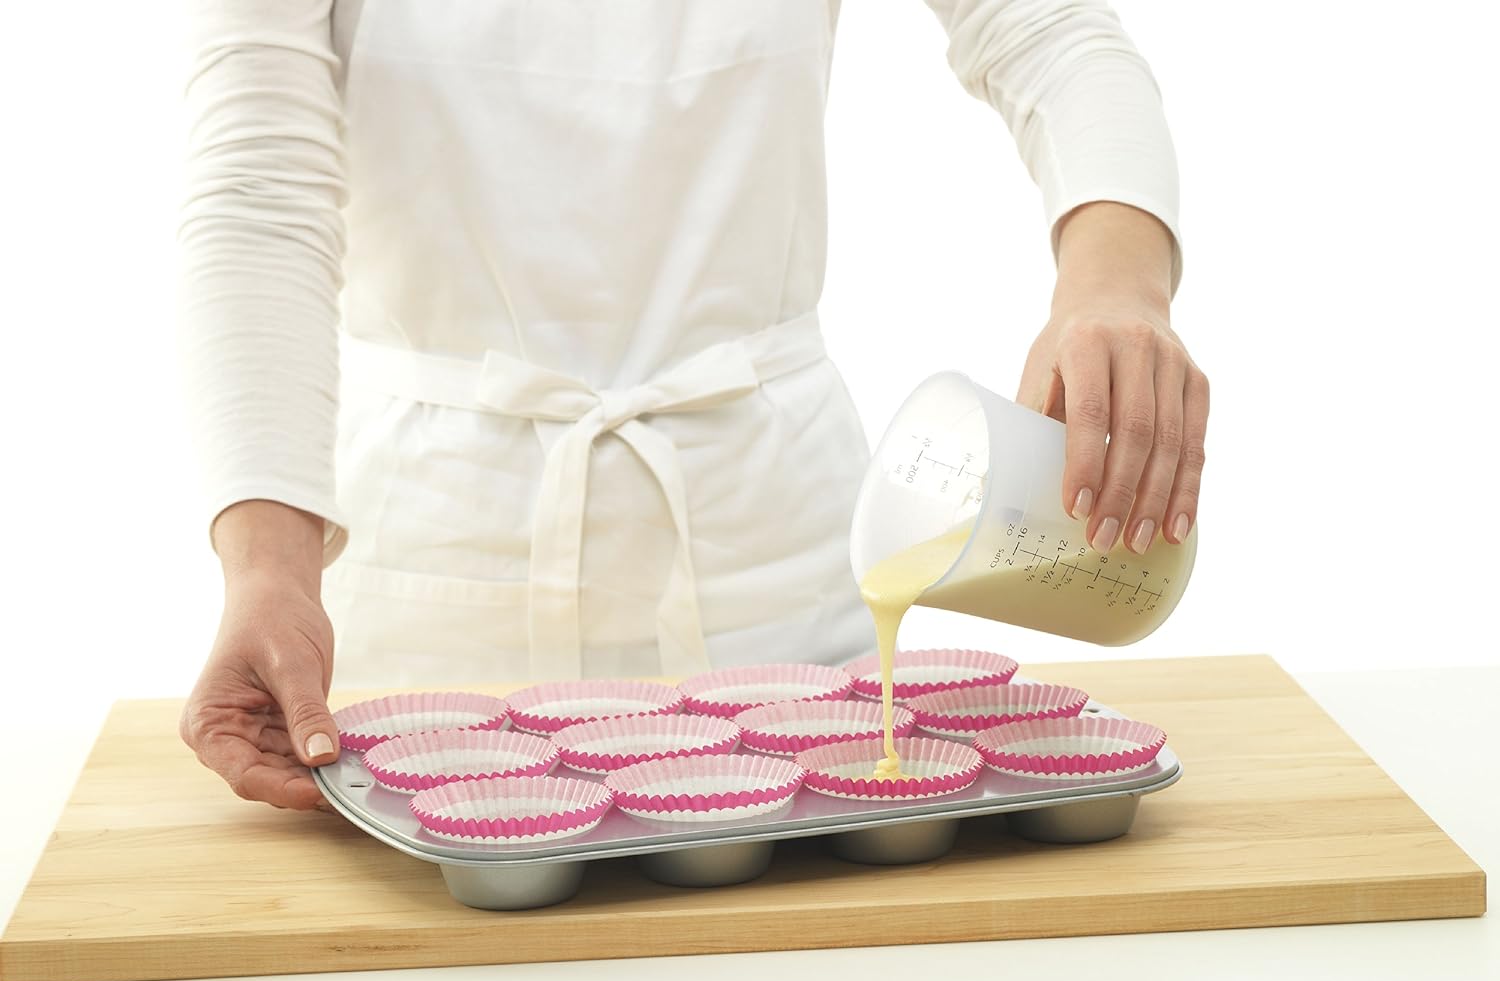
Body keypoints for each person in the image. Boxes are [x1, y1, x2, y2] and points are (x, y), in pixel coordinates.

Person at [178, 0, 1209, 812]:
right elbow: (259, 193)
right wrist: (269, 566)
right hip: (433, 594)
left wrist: (1117, 282)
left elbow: (1051, 34)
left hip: (778, 581)